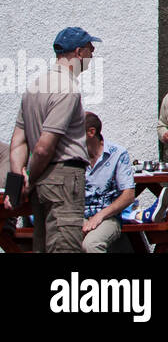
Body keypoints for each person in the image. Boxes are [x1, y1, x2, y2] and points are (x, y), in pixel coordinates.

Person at [6, 27, 97, 252]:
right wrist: (29, 179)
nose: (93, 56)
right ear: (79, 52)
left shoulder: (33, 87)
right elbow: (44, 147)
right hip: (62, 178)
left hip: (42, 180)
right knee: (65, 249)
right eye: (91, 49)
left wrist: (18, 183)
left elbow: (18, 142)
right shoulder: (67, 88)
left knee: (43, 247)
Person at [82, 111, 135, 252]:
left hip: (107, 217)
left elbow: (128, 196)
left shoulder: (117, 154)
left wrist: (99, 216)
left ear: (91, 132)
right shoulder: (73, 155)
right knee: (63, 242)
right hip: (77, 216)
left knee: (91, 245)